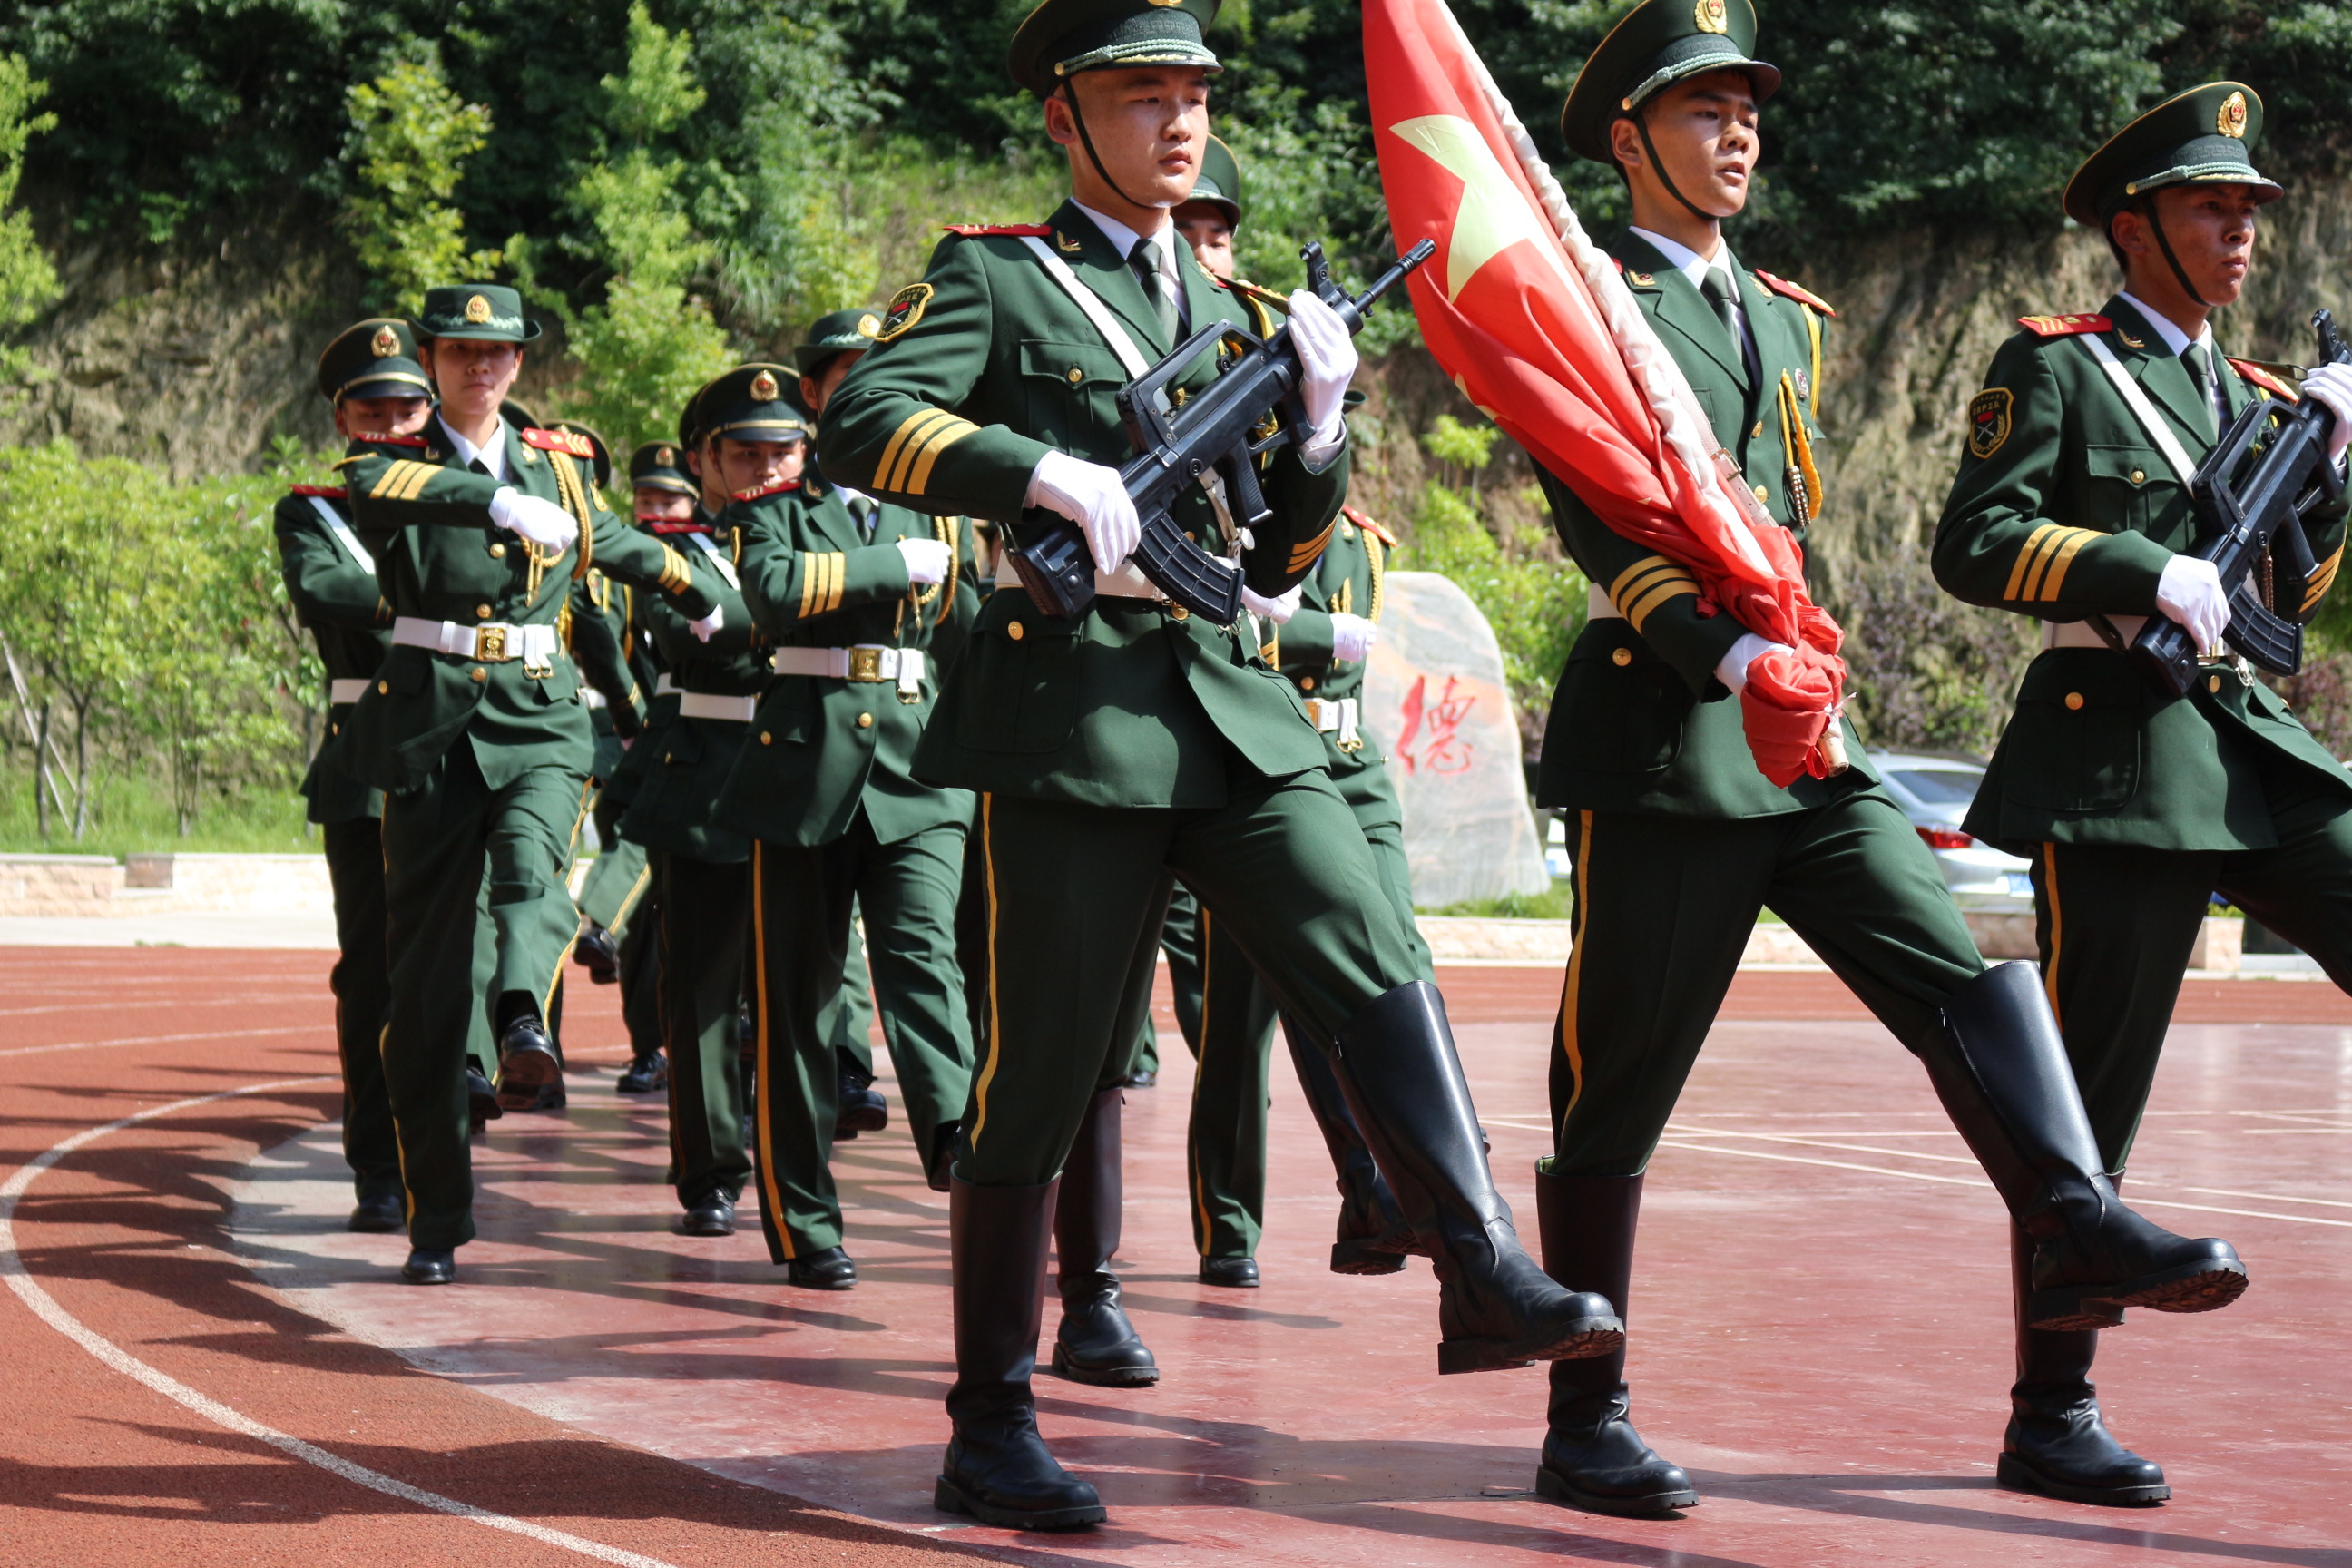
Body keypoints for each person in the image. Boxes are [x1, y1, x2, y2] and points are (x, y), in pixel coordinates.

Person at [821, 0, 1622, 1531]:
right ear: (1065, 118)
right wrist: (1033, 465)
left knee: (1370, 939)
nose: (1176, 124)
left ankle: (1480, 1262)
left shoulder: (1244, 304)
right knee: (1041, 1074)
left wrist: (1316, 420)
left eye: (1191, 96)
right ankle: (989, 1417)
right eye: (1138, 98)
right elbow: (863, 417)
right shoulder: (996, 277)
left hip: (1233, 704)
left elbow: (1283, 549)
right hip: (1071, 717)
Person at [1527, 0, 2250, 1519]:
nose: (1737, 134)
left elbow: (1780, 518)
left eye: (1746, 110)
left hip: (1804, 744)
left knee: (1961, 966)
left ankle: (2077, 1214)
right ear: (1625, 141)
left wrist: (1798, 669)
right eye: (1701, 110)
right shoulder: (1579, 299)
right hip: (1668, 733)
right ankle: (1583, 1412)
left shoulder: (1784, 313)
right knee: (1619, 1092)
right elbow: (1596, 515)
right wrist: (1722, 656)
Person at [1933, 82, 2352, 1505]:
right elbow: (1975, 542)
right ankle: (2052, 1413)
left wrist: (2333, 469)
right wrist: (2130, 564)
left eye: (2249, 209)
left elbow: (2292, 594)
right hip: (2114, 749)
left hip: (2251, 743)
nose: (2240, 232)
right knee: (2087, 1113)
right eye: (2209, 206)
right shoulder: (2056, 367)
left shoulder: (2259, 398)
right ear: (2137, 227)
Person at [337, 282, 720, 1286]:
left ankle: (520, 1014)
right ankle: (437, 1216)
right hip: (427, 723)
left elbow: (611, 545)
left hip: (540, 711)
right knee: (420, 991)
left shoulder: (558, 463)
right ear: (429, 358)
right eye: (461, 350)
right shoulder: (393, 461)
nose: (481, 367)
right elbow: (383, 500)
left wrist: (698, 590)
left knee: (531, 864)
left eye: (498, 352)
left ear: (520, 363)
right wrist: (490, 497)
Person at [1162, 137, 1424, 1288]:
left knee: (1383, 975)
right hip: (1247, 758)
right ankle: (1232, 1229)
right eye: (1198, 225)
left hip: (1348, 774)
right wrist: (1316, 635)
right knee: (1235, 1034)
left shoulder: (1359, 542)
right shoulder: (1212, 478)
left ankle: (1385, 1187)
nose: (1211, 240)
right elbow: (1240, 608)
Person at [714, 318, 980, 1289]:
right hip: (804, 765)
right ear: (819, 397)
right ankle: (805, 1221)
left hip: (918, 770)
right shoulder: (776, 499)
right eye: (848, 377)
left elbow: (970, 644)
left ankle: (958, 1143)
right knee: (799, 1003)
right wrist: (883, 569)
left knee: (924, 962)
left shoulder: (946, 511)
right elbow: (772, 594)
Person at [617, 373, 793, 1239]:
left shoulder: (827, 535)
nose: (763, 469)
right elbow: (701, 624)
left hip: (805, 770)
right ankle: (711, 1170)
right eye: (743, 454)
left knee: (806, 988)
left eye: (781, 452)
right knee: (705, 992)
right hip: (708, 780)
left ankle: (799, 1165)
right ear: (704, 461)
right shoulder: (676, 548)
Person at [276, 318, 422, 1233]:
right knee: (370, 976)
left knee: (452, 971)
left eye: (407, 406)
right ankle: (378, 1165)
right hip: (366, 755)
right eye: (372, 408)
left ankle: (439, 1153)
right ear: (342, 418)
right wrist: (438, 605)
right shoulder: (315, 510)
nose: (391, 422)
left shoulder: (465, 500)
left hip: (460, 752)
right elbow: (324, 591)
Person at [572, 440, 690, 1094]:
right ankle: (649, 1047)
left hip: (694, 752)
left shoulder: (705, 558)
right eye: (645, 500)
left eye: (668, 500)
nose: (654, 512)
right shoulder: (614, 575)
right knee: (643, 931)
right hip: (628, 751)